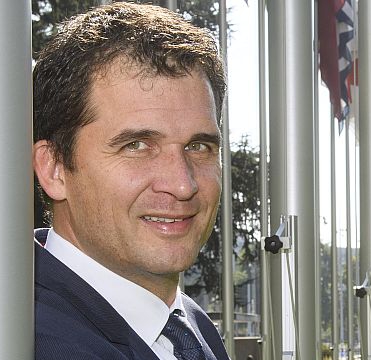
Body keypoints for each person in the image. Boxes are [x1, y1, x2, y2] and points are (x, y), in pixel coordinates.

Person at [31, 3, 229, 359]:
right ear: (54, 168)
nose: (182, 185)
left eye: (198, 146)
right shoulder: (25, 340)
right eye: (137, 145)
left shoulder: (190, 327)